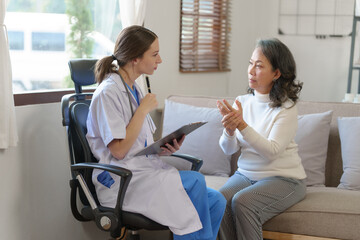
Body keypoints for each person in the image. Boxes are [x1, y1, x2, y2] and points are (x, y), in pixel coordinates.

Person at [86, 25, 226, 239]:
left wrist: (164, 147)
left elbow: (138, 144)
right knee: (196, 181)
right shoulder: (108, 93)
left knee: (217, 201)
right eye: (155, 54)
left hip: (142, 172)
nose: (159, 60)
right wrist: (142, 110)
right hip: (121, 181)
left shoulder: (132, 87)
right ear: (135, 57)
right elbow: (119, 151)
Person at [216, 38, 307, 240]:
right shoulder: (242, 101)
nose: (251, 71)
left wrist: (241, 125)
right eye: (250, 64)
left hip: (285, 179)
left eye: (259, 66)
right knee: (219, 200)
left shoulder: (287, 108)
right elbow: (228, 149)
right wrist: (229, 131)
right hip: (246, 174)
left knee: (243, 201)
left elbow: (272, 151)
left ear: (276, 73)